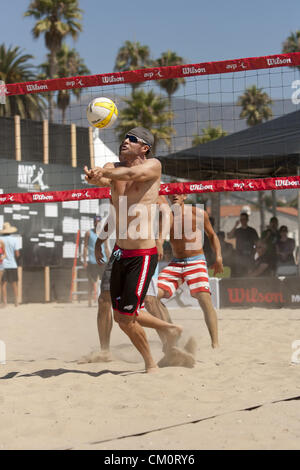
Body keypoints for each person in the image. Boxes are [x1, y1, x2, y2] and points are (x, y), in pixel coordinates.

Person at [84, 127, 182, 373]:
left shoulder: (153, 167)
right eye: (124, 137)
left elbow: (129, 172)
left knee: (136, 310)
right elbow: (109, 186)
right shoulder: (113, 168)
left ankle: (156, 357)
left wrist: (161, 240)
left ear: (145, 148)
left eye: (132, 139)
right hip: (119, 252)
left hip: (142, 254)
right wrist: (95, 177)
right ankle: (168, 332)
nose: (124, 141)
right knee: (119, 315)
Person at [157, 194, 223, 349]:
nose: (174, 196)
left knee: (204, 299)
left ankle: (215, 344)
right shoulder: (166, 216)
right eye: (171, 193)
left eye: (178, 193)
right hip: (176, 262)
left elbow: (212, 235)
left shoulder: (198, 213)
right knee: (152, 297)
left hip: (196, 260)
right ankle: (172, 332)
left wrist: (218, 257)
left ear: (185, 196)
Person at [83, 215, 106, 307]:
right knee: (91, 281)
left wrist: (111, 259)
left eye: (99, 222)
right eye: (96, 222)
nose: (97, 224)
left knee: (104, 282)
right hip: (92, 261)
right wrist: (85, 260)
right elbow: (85, 247)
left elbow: (107, 247)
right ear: (94, 223)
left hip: (102, 261)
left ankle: (103, 299)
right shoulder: (88, 233)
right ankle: (89, 300)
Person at [227, 211, 258, 277]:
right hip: (239, 257)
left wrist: (253, 254)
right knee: (240, 274)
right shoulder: (238, 231)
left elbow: (257, 244)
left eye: (244, 219)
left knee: (249, 274)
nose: (243, 221)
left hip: (249, 256)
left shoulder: (252, 231)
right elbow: (229, 236)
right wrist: (235, 225)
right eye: (241, 219)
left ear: (247, 220)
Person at [0, 222, 20, 307]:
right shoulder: (14, 240)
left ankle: (5, 302)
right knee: (14, 283)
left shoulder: (0, 239)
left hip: (3, 265)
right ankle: (16, 301)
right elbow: (17, 254)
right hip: (12, 264)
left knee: (3, 284)